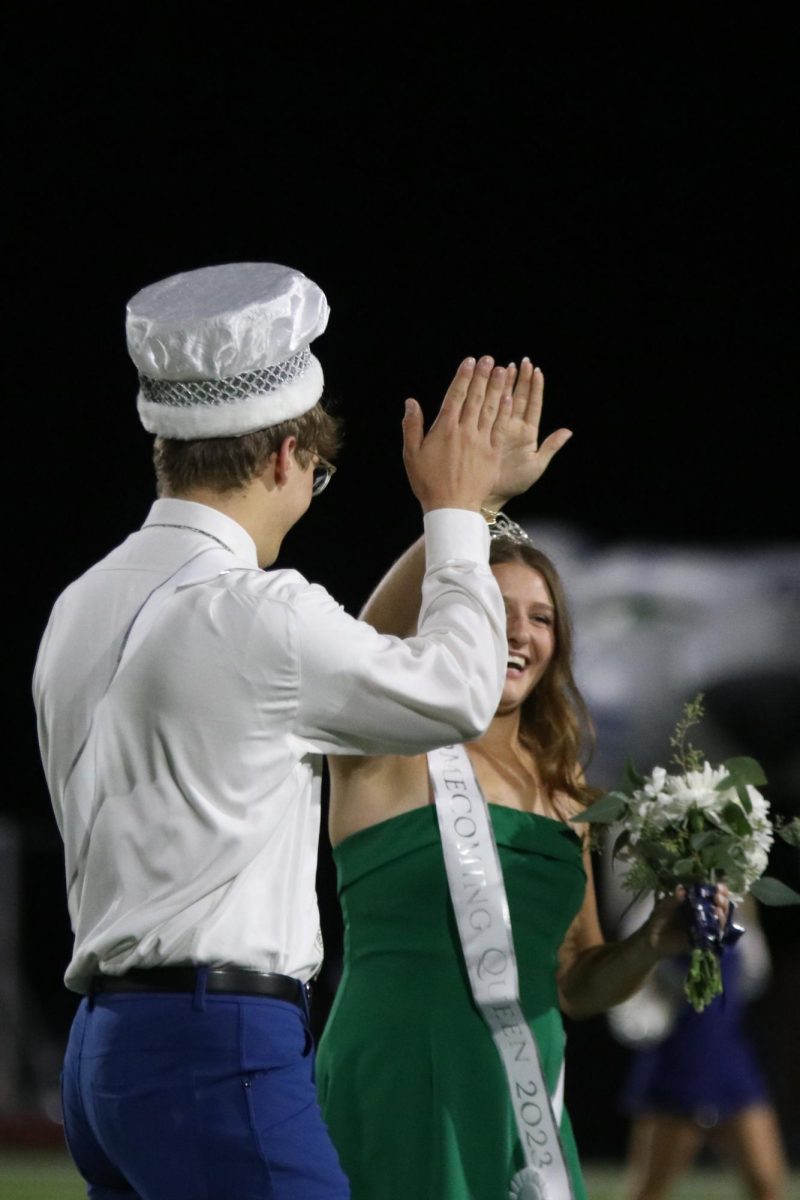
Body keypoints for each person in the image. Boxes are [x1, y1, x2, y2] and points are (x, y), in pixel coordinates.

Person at [32, 260, 518, 1200]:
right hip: (216, 1044)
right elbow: (460, 691)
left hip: (103, 1052)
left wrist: (475, 511)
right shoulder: (261, 613)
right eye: (320, 474)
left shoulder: (77, 605)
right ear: (288, 454)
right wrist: (457, 512)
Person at [316, 359, 732, 1200]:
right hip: (398, 1075)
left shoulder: (565, 787)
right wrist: (473, 506)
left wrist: (652, 942)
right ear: (453, 618)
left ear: (560, 644)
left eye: (540, 618)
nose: (519, 634)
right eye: (496, 611)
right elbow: (367, 634)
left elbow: (578, 982)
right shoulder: (387, 747)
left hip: (522, 1094)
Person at [609, 894, 789, 1200]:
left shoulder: (737, 907)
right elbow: (630, 976)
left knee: (767, 1185)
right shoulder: (653, 908)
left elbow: (753, 977)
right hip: (679, 1059)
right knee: (649, 1191)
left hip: (729, 1057)